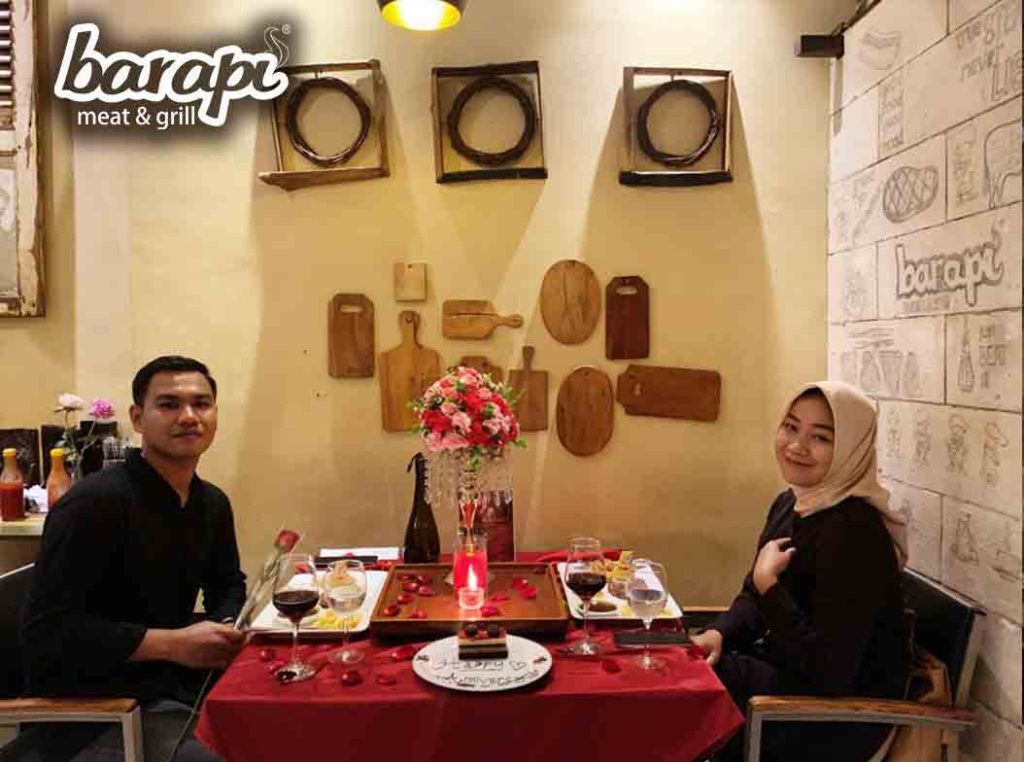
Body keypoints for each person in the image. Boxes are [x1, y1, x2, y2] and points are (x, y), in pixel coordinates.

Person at [20, 356, 247, 761]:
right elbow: (48, 632)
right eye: (169, 404)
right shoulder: (93, 504)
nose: (188, 416)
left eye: (201, 403)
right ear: (138, 418)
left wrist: (225, 628)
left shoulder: (211, 502)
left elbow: (227, 584)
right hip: (91, 713)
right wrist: (172, 645)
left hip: (174, 688)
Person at [692, 381, 909, 762]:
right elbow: (753, 598)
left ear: (851, 449)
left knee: (687, 693)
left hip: (835, 718)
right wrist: (719, 633)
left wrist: (769, 585)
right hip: (789, 681)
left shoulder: (853, 532)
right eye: (791, 427)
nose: (796, 446)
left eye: (820, 437)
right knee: (678, 666)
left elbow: (830, 672)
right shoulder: (792, 503)